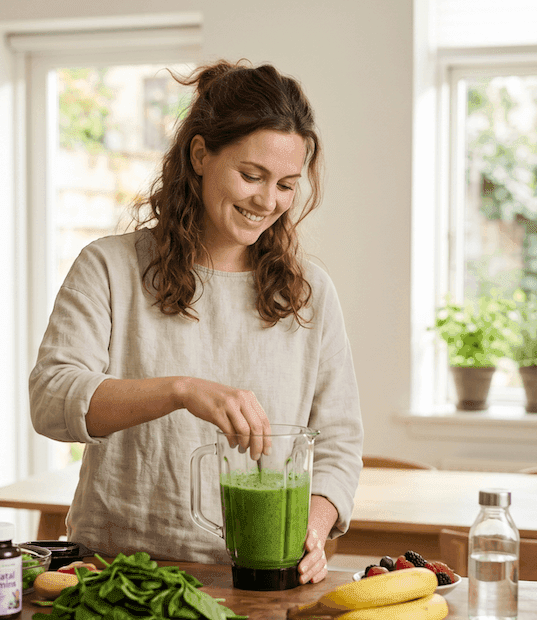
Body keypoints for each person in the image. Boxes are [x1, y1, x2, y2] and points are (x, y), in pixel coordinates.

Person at [29, 60, 363, 585]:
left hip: (258, 584)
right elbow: (51, 400)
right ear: (201, 154)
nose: (267, 200)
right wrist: (181, 390)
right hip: (116, 576)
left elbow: (339, 443)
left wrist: (313, 528)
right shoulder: (109, 267)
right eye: (251, 175)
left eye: (286, 184)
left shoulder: (308, 291)